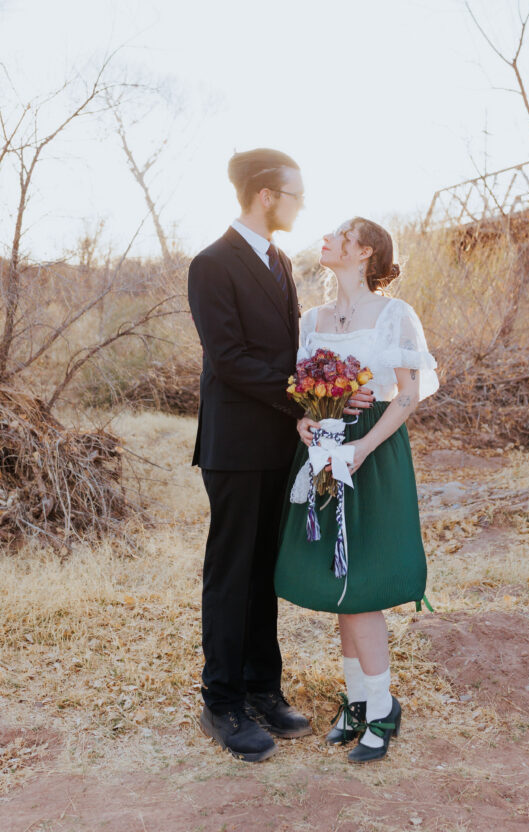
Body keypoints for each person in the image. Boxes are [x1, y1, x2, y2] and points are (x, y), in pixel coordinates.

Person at [187, 150, 373, 763]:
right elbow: (229, 359)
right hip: (235, 444)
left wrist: (333, 391)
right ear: (266, 195)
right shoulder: (211, 263)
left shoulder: (280, 261)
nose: (302, 205)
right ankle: (221, 701)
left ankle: (262, 687)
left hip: (281, 439)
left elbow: (291, 350)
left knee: (264, 568)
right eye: (296, 194)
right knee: (231, 571)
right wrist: (305, 397)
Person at [274, 218, 438, 763]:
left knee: (362, 585)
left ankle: (383, 708)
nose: (327, 237)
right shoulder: (313, 319)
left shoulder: (395, 315)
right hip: (321, 450)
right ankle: (359, 701)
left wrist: (363, 447)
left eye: (341, 233)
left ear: (364, 251)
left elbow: (407, 395)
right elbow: (303, 393)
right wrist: (304, 423)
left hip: (373, 454)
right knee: (339, 582)